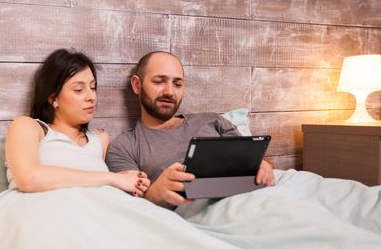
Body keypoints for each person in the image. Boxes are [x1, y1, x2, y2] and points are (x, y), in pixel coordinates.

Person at [106, 51, 274, 208]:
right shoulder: (124, 147)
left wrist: (264, 164)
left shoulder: (212, 120)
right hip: (198, 211)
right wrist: (154, 193)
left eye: (177, 84)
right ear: (137, 85)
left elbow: (253, 158)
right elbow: (130, 207)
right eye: (159, 81)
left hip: (254, 198)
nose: (169, 92)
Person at [5, 48, 150, 196]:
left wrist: (128, 181)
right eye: (79, 90)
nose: (91, 96)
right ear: (53, 98)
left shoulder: (100, 139)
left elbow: (99, 188)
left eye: (93, 87)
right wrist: (112, 178)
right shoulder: (27, 126)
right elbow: (29, 179)